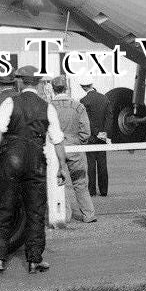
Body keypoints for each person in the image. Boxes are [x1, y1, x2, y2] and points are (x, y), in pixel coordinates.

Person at [0, 66, 68, 275]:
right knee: (36, 211)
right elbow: (57, 140)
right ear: (37, 83)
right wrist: (62, 167)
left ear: (19, 82)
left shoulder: (10, 102)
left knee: (2, 207)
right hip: (37, 159)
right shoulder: (48, 107)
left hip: (11, 158)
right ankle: (34, 260)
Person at [50, 76, 96, 224]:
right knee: (80, 183)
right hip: (75, 148)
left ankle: (65, 215)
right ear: (66, 88)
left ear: (52, 89)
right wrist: (79, 142)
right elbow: (86, 131)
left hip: (57, 150)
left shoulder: (49, 107)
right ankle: (89, 215)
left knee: (59, 183)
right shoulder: (78, 106)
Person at [79, 76, 112, 197]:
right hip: (102, 137)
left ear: (82, 87)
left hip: (91, 137)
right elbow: (109, 117)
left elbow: (85, 121)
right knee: (103, 163)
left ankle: (92, 190)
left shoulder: (83, 101)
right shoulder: (104, 98)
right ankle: (104, 190)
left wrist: (94, 132)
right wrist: (104, 132)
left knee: (91, 164)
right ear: (91, 84)